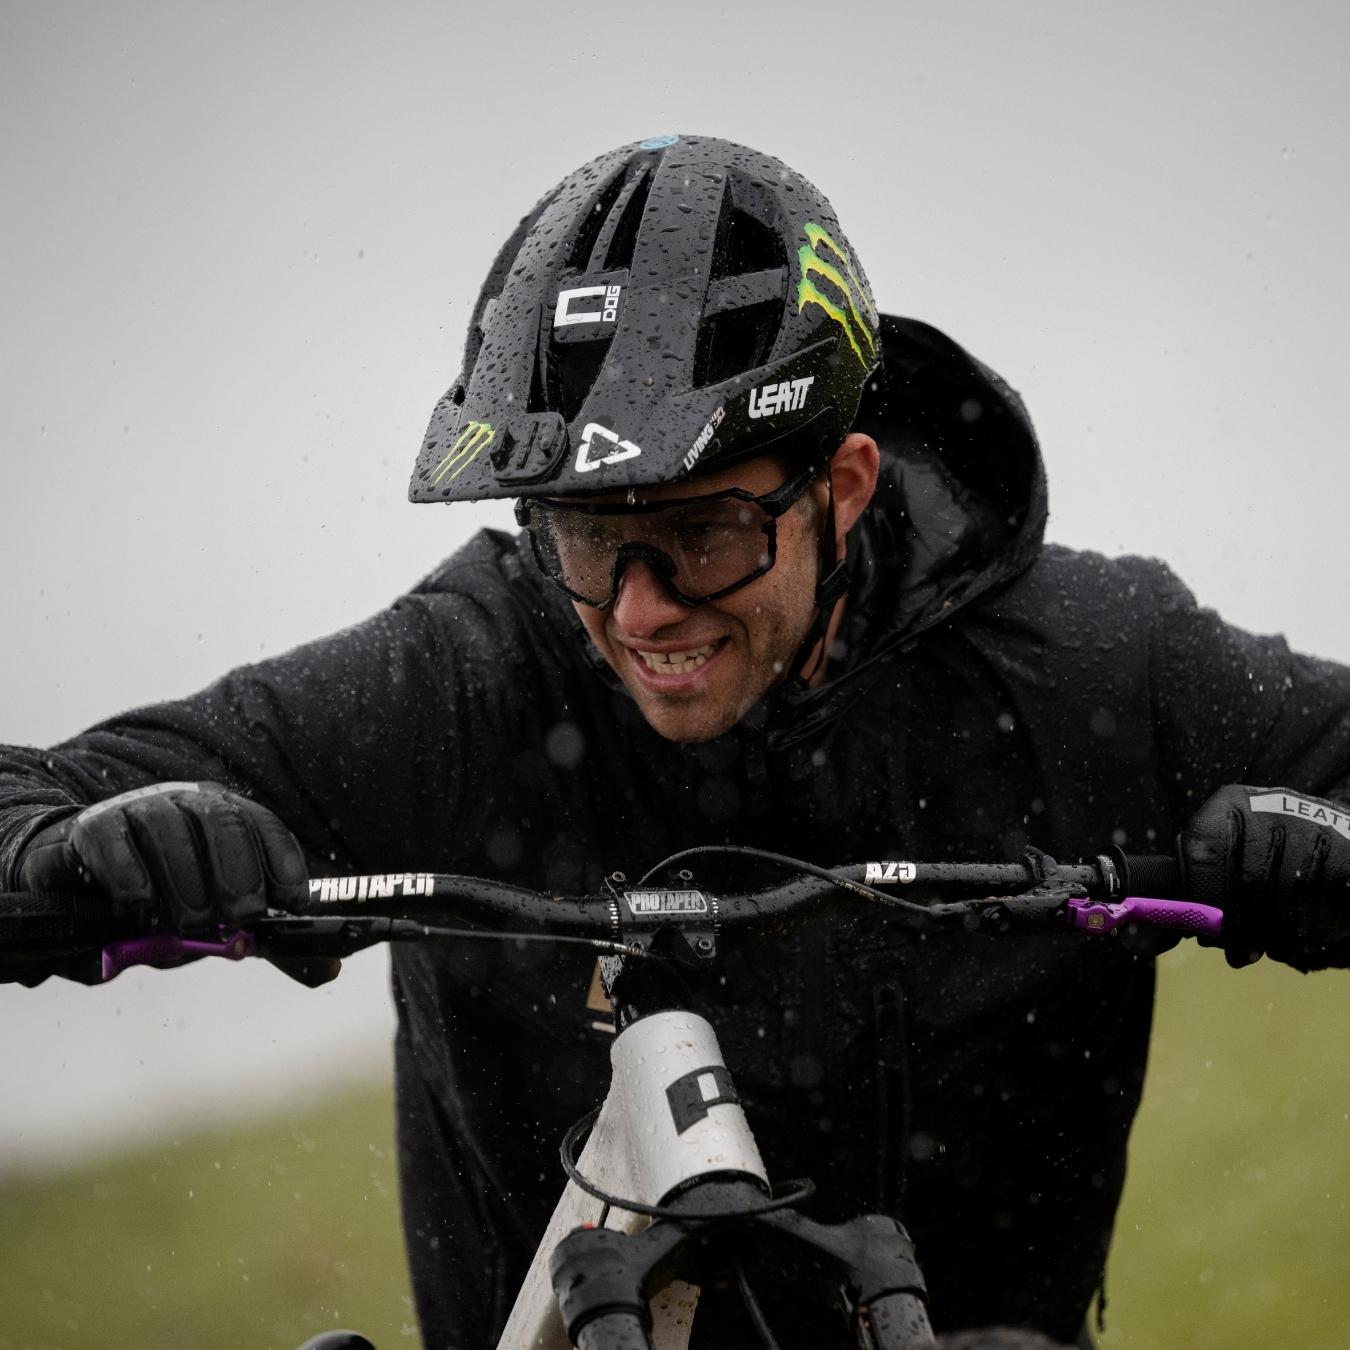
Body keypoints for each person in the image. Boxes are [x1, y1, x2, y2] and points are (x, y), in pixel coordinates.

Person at [3, 133, 1350, 1348]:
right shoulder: (467, 678)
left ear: (844, 484)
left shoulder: (1095, 665)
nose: (640, 609)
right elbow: (26, 800)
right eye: (589, 538)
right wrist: (78, 856)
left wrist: (1314, 851)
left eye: (702, 533)